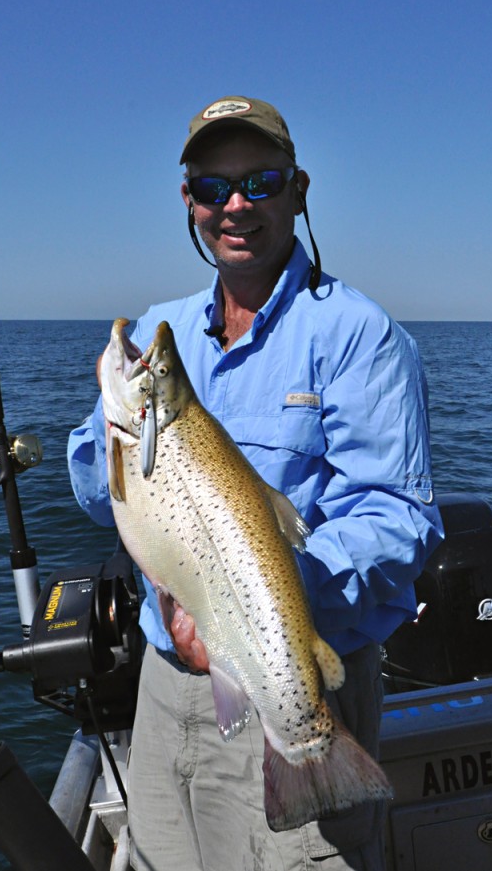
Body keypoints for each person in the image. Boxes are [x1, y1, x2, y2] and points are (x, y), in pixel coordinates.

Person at [68, 95, 443, 871]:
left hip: (297, 676)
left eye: (261, 182)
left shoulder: (358, 335)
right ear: (190, 203)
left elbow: (395, 519)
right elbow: (90, 484)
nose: (235, 205)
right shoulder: (158, 333)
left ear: (299, 190)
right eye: (213, 188)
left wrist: (258, 604)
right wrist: (110, 430)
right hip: (166, 696)